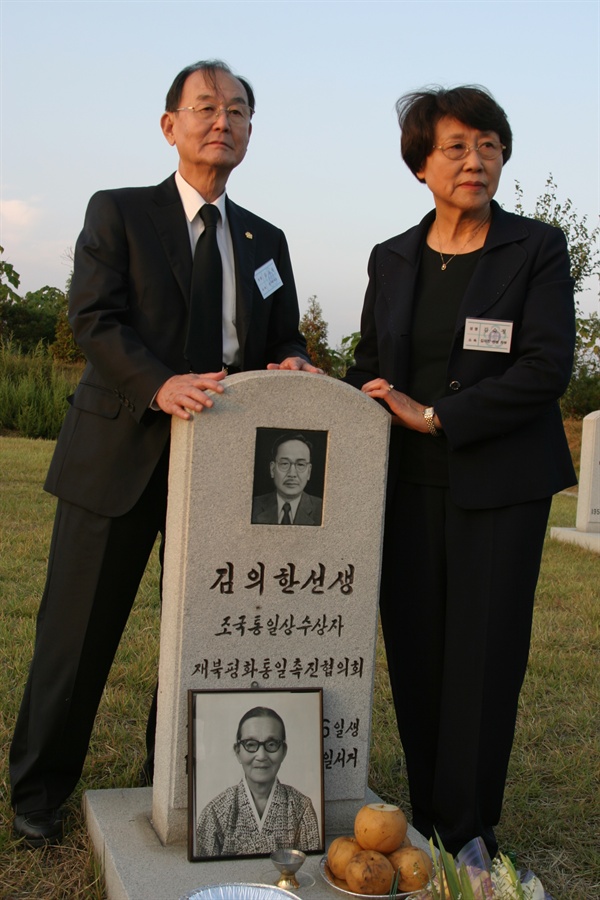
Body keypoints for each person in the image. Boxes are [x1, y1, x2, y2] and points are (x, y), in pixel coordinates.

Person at [10, 59, 321, 848]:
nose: (224, 121)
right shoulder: (118, 212)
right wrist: (161, 384)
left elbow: (283, 333)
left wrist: (290, 359)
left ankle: (177, 781)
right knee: (77, 633)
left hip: (225, 467)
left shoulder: (265, 238)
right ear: (170, 124)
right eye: (206, 107)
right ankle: (38, 795)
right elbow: (94, 319)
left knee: (209, 634)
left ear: (252, 130)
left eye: (239, 110)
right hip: (120, 451)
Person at [345, 85, 576, 857]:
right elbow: (372, 367)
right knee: (416, 650)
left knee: (483, 653)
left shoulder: (536, 248)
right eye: (456, 146)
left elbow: (547, 367)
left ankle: (469, 828)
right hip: (406, 485)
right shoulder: (393, 256)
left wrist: (440, 416)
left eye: (489, 145)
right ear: (421, 164)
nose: (475, 160)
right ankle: (431, 814)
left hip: (500, 484)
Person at [195, 706, 320, 857]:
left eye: (272, 744)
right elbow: (206, 874)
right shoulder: (215, 813)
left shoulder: (301, 808)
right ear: (238, 751)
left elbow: (308, 868)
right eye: (251, 744)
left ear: (284, 751)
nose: (261, 755)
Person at [251, 432, 323, 525]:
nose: (292, 474)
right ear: (272, 469)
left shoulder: (323, 509)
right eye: (284, 464)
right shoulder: (253, 506)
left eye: (300, 464)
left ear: (309, 472)